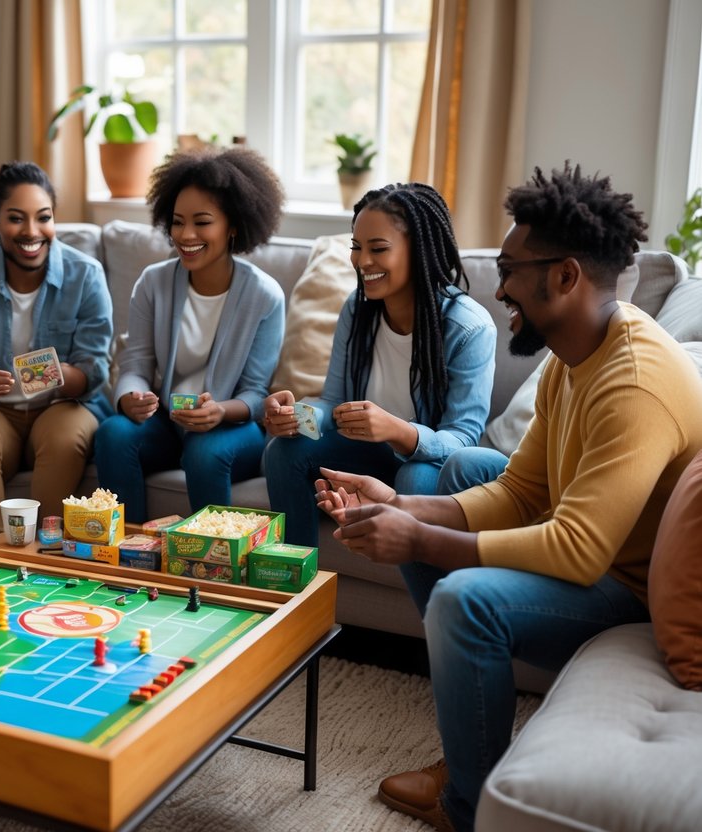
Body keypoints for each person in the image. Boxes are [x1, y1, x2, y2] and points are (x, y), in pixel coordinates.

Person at [315, 163, 702, 832]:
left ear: (564, 276)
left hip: (631, 592)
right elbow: (522, 491)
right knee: (462, 470)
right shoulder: (573, 355)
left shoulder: (632, 382)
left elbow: (578, 552)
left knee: (465, 601)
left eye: (511, 269)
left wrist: (419, 538)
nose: (498, 289)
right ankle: (472, 742)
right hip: (600, 560)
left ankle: (471, 808)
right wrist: (400, 506)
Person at [262, 183, 495, 546]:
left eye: (378, 249)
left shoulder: (468, 327)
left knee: (415, 479)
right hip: (365, 453)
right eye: (356, 247)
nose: (362, 261)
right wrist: (299, 415)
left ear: (417, 251)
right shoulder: (357, 310)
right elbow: (334, 403)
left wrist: (399, 431)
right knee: (283, 451)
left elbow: (464, 438)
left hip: (424, 462)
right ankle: (297, 579)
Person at [93, 146, 285, 523]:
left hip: (233, 430)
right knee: (113, 434)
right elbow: (135, 363)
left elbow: (257, 394)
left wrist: (219, 412)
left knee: (203, 449)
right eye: (178, 222)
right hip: (168, 422)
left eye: (202, 222)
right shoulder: (154, 283)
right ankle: (128, 558)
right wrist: (130, 396)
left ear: (233, 226)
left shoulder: (264, 296)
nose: (186, 235)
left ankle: (210, 566)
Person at [0, 161, 113, 534]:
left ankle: (43, 548)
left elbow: (96, 366)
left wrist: (68, 377)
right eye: (16, 218)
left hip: (62, 406)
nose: (32, 231)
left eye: (43, 217)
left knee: (67, 436)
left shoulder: (86, 275)